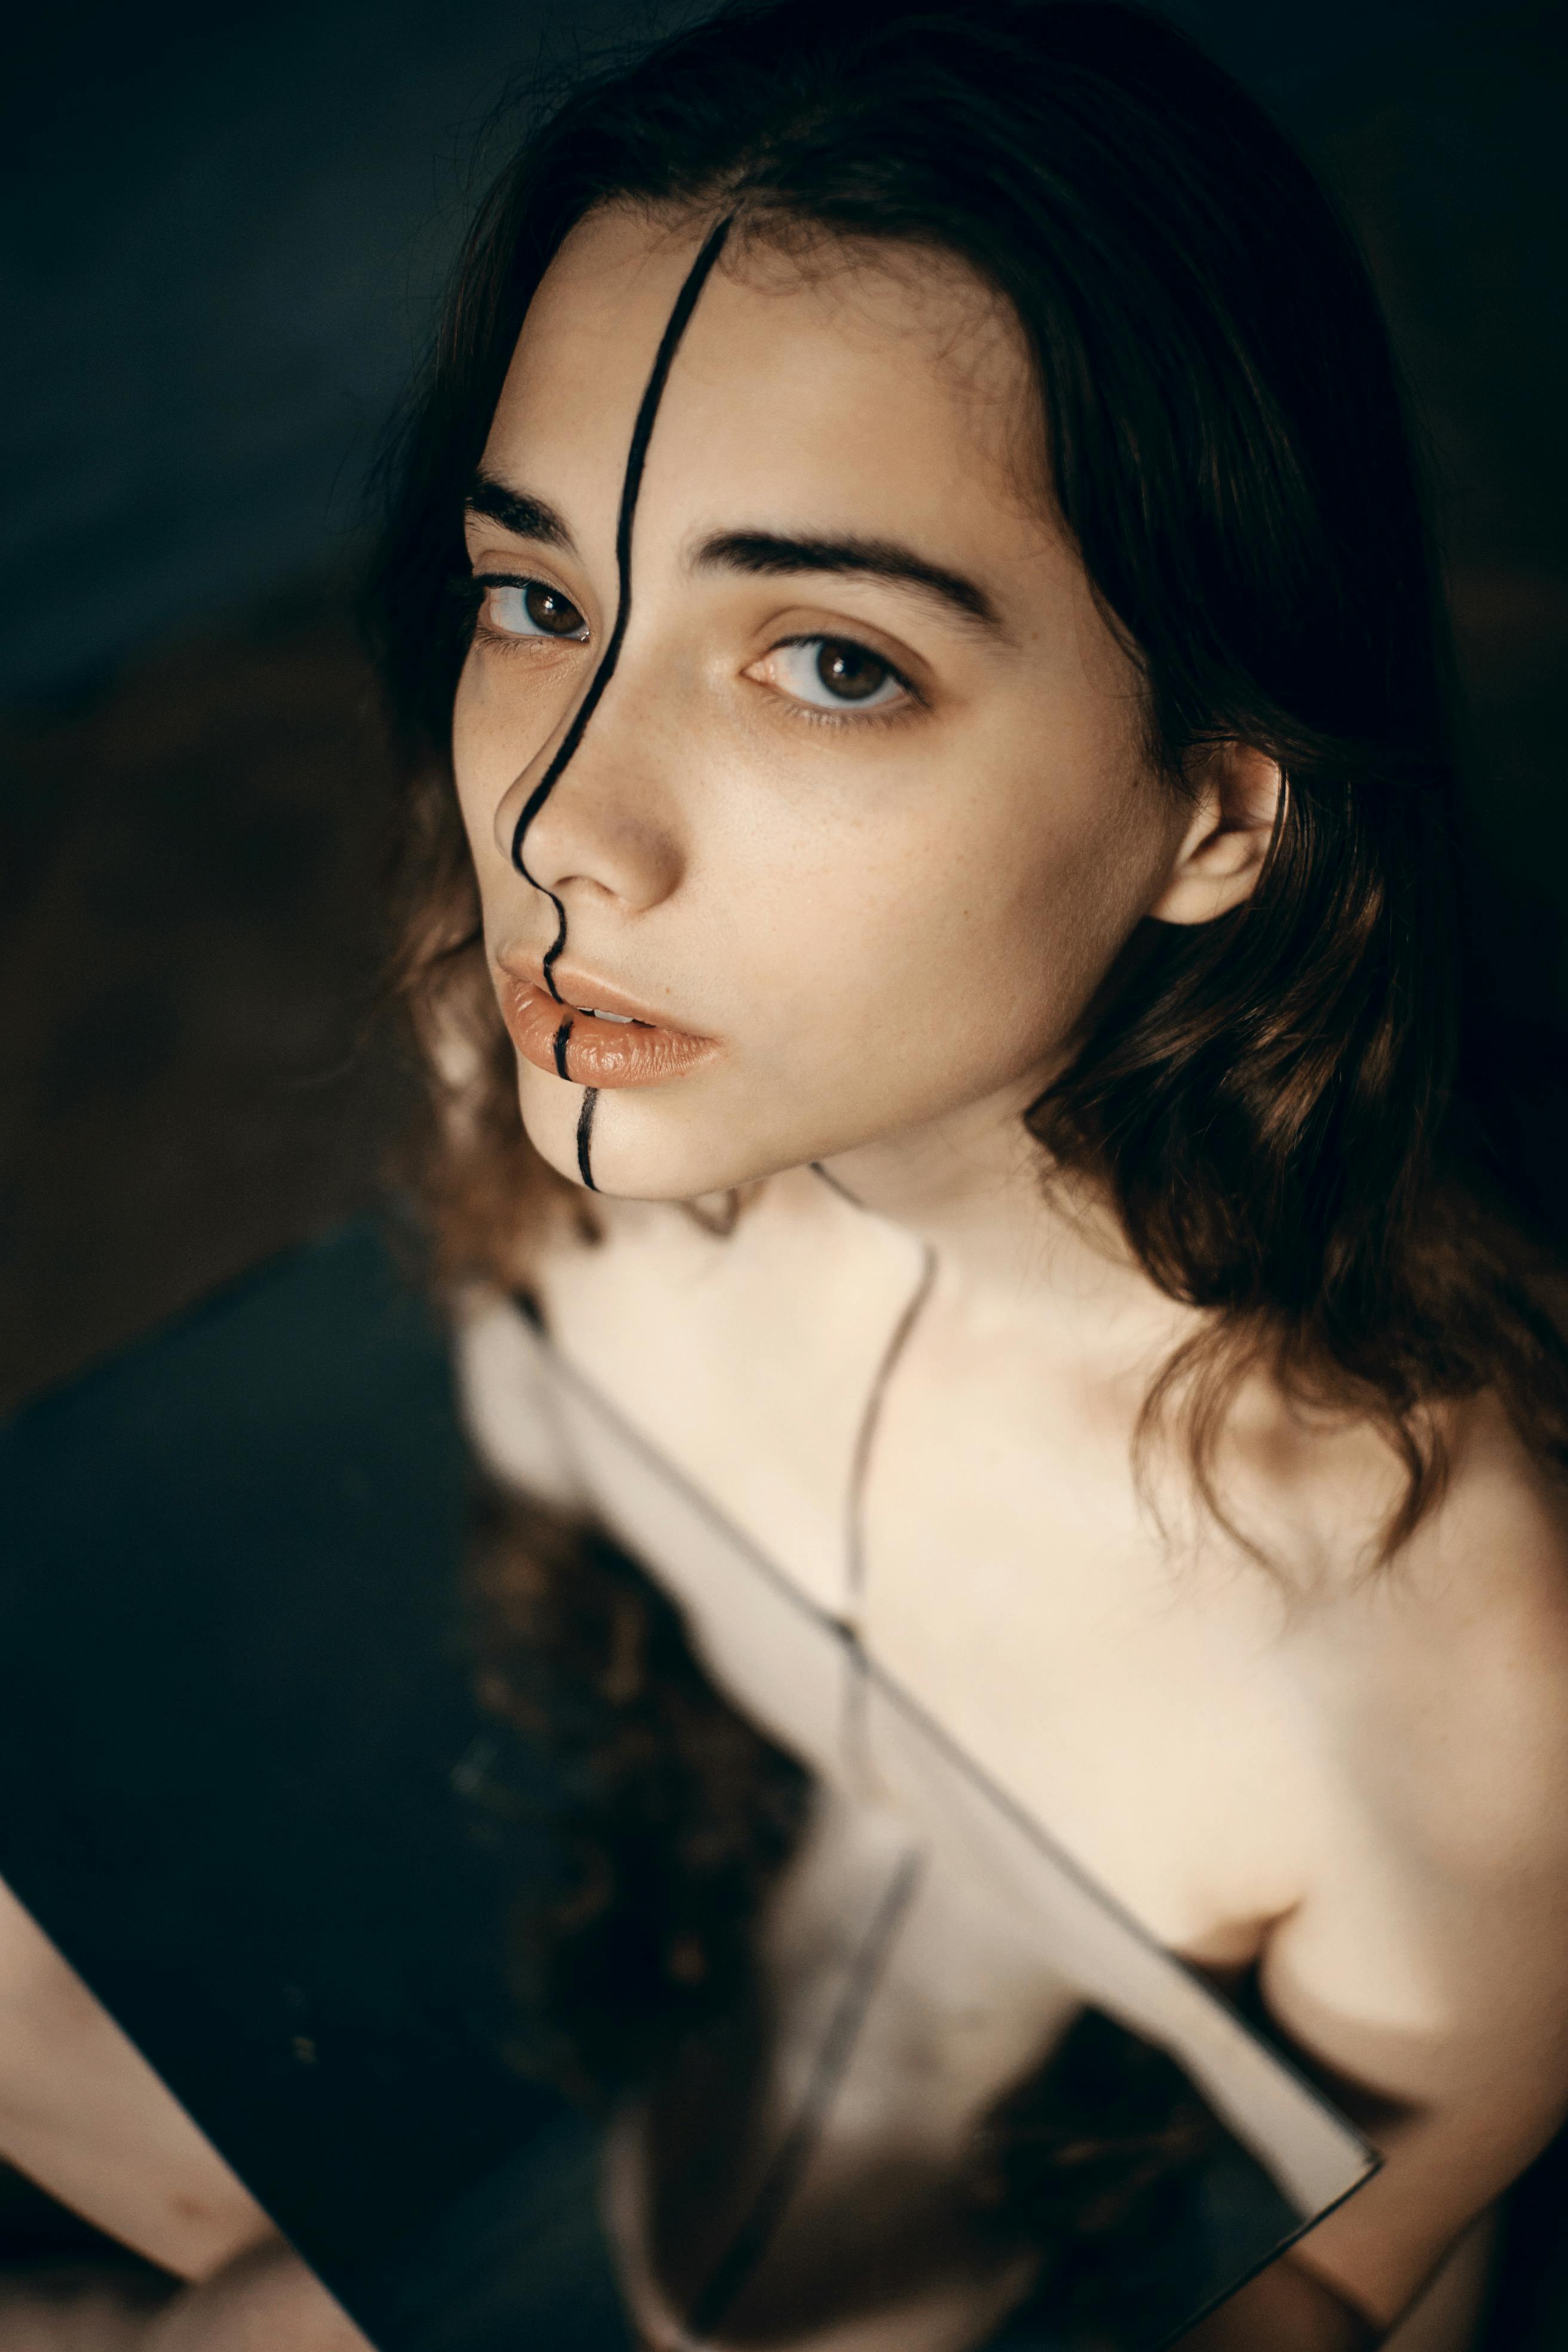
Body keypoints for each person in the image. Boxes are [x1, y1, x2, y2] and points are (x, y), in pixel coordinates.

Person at [1, 2, 1564, 2346]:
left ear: (1219, 812)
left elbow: (1331, 2258)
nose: (552, 842)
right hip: (626, 1903)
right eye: (537, 600)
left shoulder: (1423, 1653)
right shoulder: (529, 1075)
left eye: (825, 662)